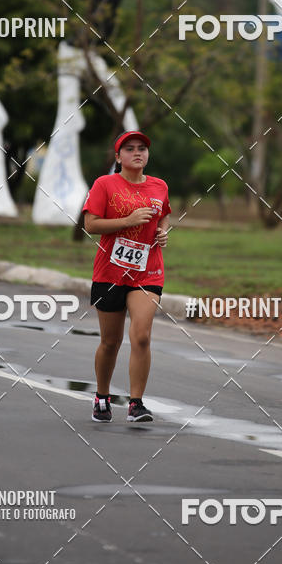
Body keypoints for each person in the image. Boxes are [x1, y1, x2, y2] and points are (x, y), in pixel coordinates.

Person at [83, 131, 171, 423]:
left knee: (142, 336)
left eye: (143, 148)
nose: (138, 153)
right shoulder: (104, 184)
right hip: (110, 271)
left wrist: (163, 231)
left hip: (148, 271)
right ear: (118, 156)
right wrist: (128, 221)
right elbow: (91, 224)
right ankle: (102, 397)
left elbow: (164, 214)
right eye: (130, 148)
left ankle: (136, 404)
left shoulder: (159, 186)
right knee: (111, 341)